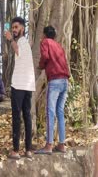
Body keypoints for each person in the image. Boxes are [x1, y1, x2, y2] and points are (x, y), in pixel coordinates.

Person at [34, 26, 70, 155]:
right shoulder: (59, 46)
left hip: (54, 80)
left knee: (50, 112)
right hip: (65, 81)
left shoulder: (45, 42)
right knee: (60, 112)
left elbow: (45, 56)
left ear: (44, 34)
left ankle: (48, 145)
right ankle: (61, 144)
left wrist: (41, 65)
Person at [4, 17, 35, 159]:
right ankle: (28, 149)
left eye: (16, 27)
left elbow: (17, 51)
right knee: (27, 116)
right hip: (27, 86)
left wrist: (11, 39)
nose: (14, 30)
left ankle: (16, 151)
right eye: (12, 28)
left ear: (22, 28)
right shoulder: (26, 43)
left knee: (17, 117)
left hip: (20, 85)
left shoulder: (22, 42)